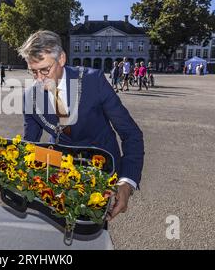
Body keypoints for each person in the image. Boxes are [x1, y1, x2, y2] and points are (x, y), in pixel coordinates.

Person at [12, 30, 144, 223]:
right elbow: (30, 144)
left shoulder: (93, 81)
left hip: (102, 171)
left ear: (62, 58)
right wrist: (8, 173)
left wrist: (127, 182)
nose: (39, 80)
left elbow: (131, 133)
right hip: (59, 172)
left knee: (91, 232)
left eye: (45, 70)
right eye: (33, 71)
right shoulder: (30, 96)